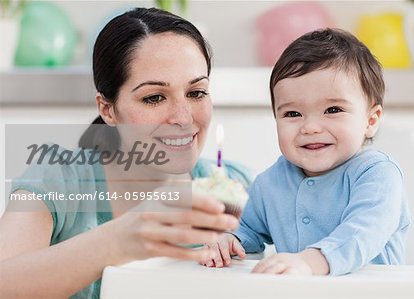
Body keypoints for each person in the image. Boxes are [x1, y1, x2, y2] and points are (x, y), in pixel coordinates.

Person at [0, 8, 252, 298]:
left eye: (196, 93)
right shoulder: (56, 185)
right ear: (107, 109)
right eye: (154, 97)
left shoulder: (239, 187)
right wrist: (116, 241)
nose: (183, 118)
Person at [201, 28, 411, 276]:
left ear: (371, 120)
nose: (310, 127)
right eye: (292, 114)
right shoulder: (270, 183)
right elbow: (248, 229)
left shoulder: (377, 175)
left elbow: (364, 231)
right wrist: (229, 240)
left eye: (333, 110)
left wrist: (313, 261)